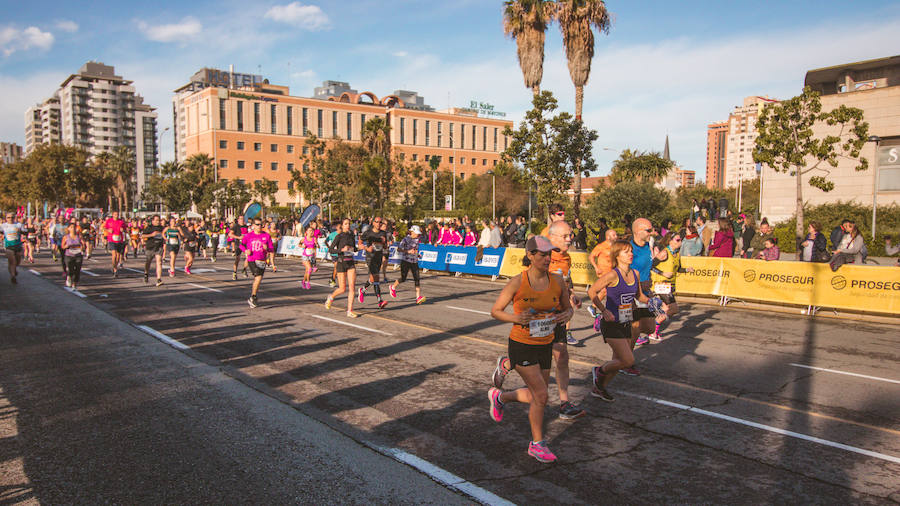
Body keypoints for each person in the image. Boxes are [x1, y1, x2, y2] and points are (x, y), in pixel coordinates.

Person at [487, 235, 574, 463]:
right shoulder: (518, 281)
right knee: (542, 395)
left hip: (545, 344)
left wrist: (567, 314)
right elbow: (495, 311)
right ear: (530, 255)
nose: (547, 259)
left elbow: (567, 309)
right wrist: (516, 317)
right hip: (521, 345)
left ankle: (500, 398)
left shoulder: (557, 281)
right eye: (542, 254)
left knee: (538, 396)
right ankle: (537, 444)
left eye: (549, 254)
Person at [588, 240, 666, 402]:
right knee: (628, 360)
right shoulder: (612, 275)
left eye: (631, 251)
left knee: (618, 362)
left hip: (626, 321)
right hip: (611, 324)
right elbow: (592, 291)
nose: (631, 254)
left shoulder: (635, 274)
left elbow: (639, 296)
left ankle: (599, 388)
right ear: (617, 256)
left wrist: (652, 301)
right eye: (626, 252)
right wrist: (603, 310)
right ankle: (599, 370)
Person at [648, 231, 692, 340]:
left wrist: (686, 270)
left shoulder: (677, 254)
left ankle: (653, 329)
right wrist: (663, 273)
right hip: (660, 284)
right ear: (670, 241)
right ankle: (653, 327)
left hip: (669, 285)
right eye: (677, 240)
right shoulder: (664, 253)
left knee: (670, 309)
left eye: (680, 240)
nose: (680, 242)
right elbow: (650, 266)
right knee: (672, 308)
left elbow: (678, 268)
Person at [628, 218, 656, 359]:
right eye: (648, 230)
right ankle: (626, 359)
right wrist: (638, 284)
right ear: (638, 231)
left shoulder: (647, 246)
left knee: (650, 327)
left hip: (645, 292)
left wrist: (648, 280)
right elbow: (622, 272)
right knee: (635, 328)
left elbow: (647, 266)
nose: (652, 232)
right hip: (632, 293)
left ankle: (624, 335)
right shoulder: (629, 249)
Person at [325, 218, 360, 318]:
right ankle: (331, 297)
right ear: (342, 225)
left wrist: (359, 248)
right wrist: (341, 250)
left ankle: (350, 310)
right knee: (342, 289)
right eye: (345, 224)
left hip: (350, 263)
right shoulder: (339, 236)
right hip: (341, 262)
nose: (348, 225)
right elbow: (331, 250)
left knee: (352, 287)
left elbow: (354, 248)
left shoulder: (351, 235)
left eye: (349, 224)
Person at [241, 219, 275, 308]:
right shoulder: (249, 235)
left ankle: (253, 296)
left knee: (258, 279)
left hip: (262, 260)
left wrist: (267, 248)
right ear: (253, 226)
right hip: (252, 259)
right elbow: (241, 245)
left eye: (261, 225)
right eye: (257, 224)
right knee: (258, 277)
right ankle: (253, 297)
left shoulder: (266, 236)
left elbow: (271, 249)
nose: (259, 226)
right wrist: (246, 250)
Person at [390, 225, 427, 304]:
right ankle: (393, 287)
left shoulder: (417, 239)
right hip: (405, 261)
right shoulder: (405, 239)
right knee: (403, 278)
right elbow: (399, 249)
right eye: (417, 233)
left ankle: (418, 297)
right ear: (412, 232)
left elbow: (416, 249)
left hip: (414, 261)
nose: (418, 235)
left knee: (417, 278)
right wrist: (408, 251)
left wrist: (417, 254)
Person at [358, 216, 389, 309]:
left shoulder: (383, 233)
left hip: (378, 257)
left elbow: (385, 247)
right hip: (370, 257)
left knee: (372, 278)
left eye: (380, 222)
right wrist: (366, 248)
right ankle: (380, 301)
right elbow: (360, 243)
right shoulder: (368, 233)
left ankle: (362, 290)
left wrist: (384, 243)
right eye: (377, 222)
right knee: (376, 278)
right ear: (373, 223)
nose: (379, 224)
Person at [587, 228, 618, 317]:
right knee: (605, 290)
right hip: (603, 271)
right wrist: (596, 268)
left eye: (616, 235)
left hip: (612, 272)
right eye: (614, 235)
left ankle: (595, 307)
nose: (616, 236)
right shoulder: (601, 246)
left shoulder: (615, 246)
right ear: (608, 237)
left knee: (610, 290)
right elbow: (591, 257)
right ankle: (593, 307)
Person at [141, 215, 166, 286]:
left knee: (159, 262)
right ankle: (146, 273)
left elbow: (164, 234)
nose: (158, 222)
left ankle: (159, 279)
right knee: (148, 261)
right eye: (156, 220)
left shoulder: (162, 228)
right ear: (152, 221)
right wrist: (151, 235)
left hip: (159, 247)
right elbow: (142, 236)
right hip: (150, 247)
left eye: (159, 220)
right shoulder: (149, 228)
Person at [2, 212, 25, 284]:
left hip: (18, 245)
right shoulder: (3, 225)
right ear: (6, 218)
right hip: (9, 246)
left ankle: (14, 269)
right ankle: (13, 276)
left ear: (14, 218)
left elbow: (25, 231)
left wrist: (21, 231)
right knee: (12, 261)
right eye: (8, 217)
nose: (10, 219)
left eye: (12, 217)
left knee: (17, 261)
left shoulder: (18, 225)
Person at [103, 211, 127, 278]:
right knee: (114, 254)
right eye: (115, 214)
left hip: (119, 239)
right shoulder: (109, 221)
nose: (116, 215)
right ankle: (115, 269)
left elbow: (125, 229)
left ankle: (114, 267)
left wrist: (123, 230)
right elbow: (104, 227)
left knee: (118, 256)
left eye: (117, 214)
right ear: (113, 215)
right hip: (111, 239)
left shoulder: (121, 221)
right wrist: (108, 230)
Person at [61, 223, 84, 290]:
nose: (73, 229)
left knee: (77, 270)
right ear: (68, 228)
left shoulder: (79, 236)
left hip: (78, 255)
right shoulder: (66, 237)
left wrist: (82, 246)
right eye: (71, 227)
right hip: (69, 255)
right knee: (70, 269)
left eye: (74, 227)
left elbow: (83, 244)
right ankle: (69, 277)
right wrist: (66, 246)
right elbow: (62, 246)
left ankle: (74, 283)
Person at [228, 216, 249, 281]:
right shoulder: (236, 226)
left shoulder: (246, 226)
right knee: (237, 259)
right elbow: (230, 234)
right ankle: (234, 272)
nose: (242, 220)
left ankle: (244, 270)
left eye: (243, 219)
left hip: (245, 244)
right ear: (238, 220)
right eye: (240, 219)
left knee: (248, 257)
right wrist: (238, 237)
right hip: (238, 244)